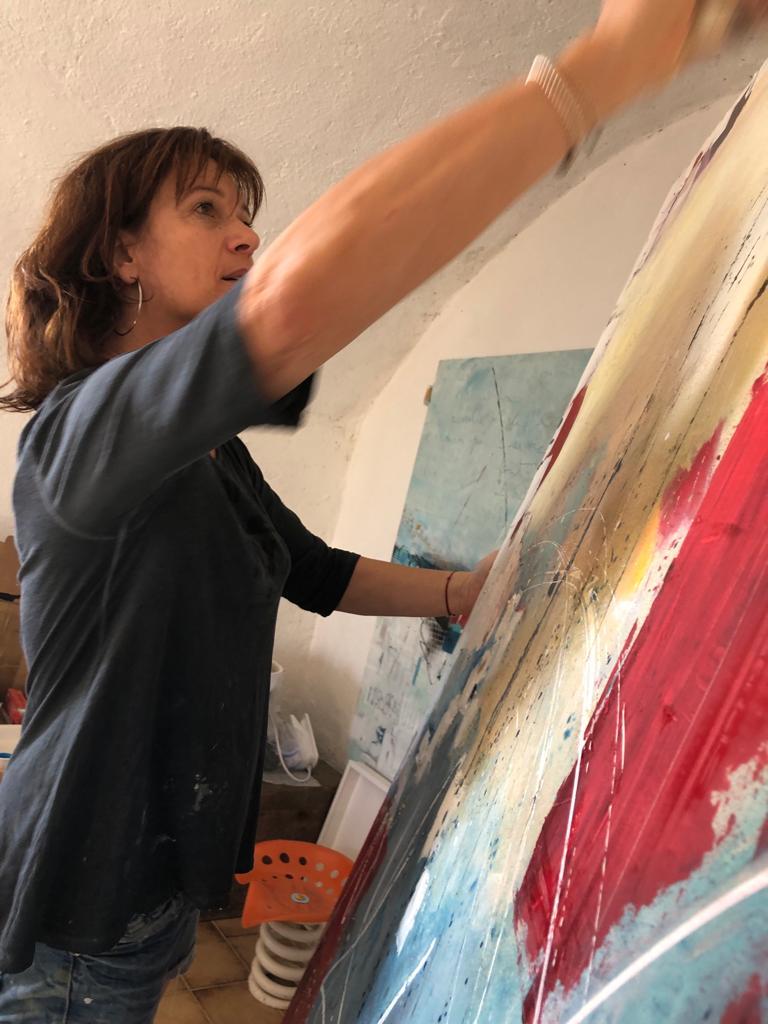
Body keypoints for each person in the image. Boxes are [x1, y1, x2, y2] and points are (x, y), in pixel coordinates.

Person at [0, 0, 739, 1019]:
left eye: (245, 212)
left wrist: (464, 592)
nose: (247, 233)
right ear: (120, 254)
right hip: (72, 916)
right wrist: (602, 71)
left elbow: (312, 570)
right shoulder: (80, 435)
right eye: (206, 209)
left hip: (154, 899)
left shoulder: (210, 454)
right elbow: (295, 303)